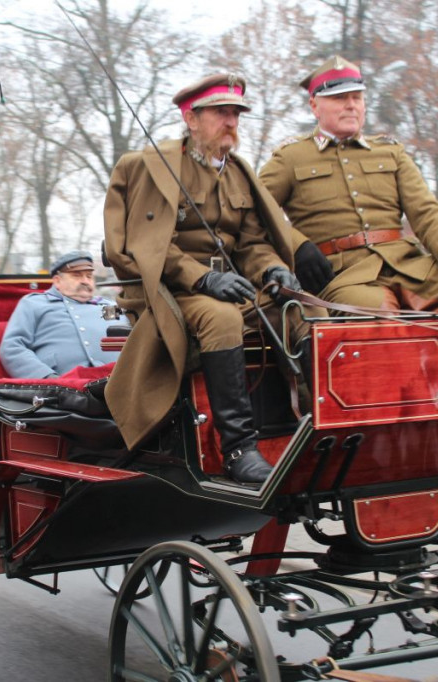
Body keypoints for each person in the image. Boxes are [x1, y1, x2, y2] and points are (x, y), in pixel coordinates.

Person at [103, 73, 309, 485]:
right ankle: (238, 449)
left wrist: (270, 268)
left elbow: (251, 243)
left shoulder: (237, 173)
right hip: (169, 290)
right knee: (223, 319)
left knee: (297, 312)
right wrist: (200, 279)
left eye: (235, 114)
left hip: (229, 287)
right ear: (191, 118)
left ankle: (314, 424)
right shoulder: (152, 166)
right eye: (221, 113)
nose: (231, 121)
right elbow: (144, 244)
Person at [259, 55, 438, 313]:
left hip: (408, 268)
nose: (351, 105)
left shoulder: (390, 152)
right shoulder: (290, 157)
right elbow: (254, 211)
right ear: (314, 106)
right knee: (377, 319)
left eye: (357, 98)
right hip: (344, 276)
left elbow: (427, 214)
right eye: (340, 98)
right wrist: (297, 246)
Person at [0, 250, 120, 379]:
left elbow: (124, 335)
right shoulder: (35, 303)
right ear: (57, 281)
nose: (85, 281)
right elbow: (12, 346)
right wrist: (46, 377)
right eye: (77, 275)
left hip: (115, 382)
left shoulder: (107, 306)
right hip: (62, 387)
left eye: (89, 276)